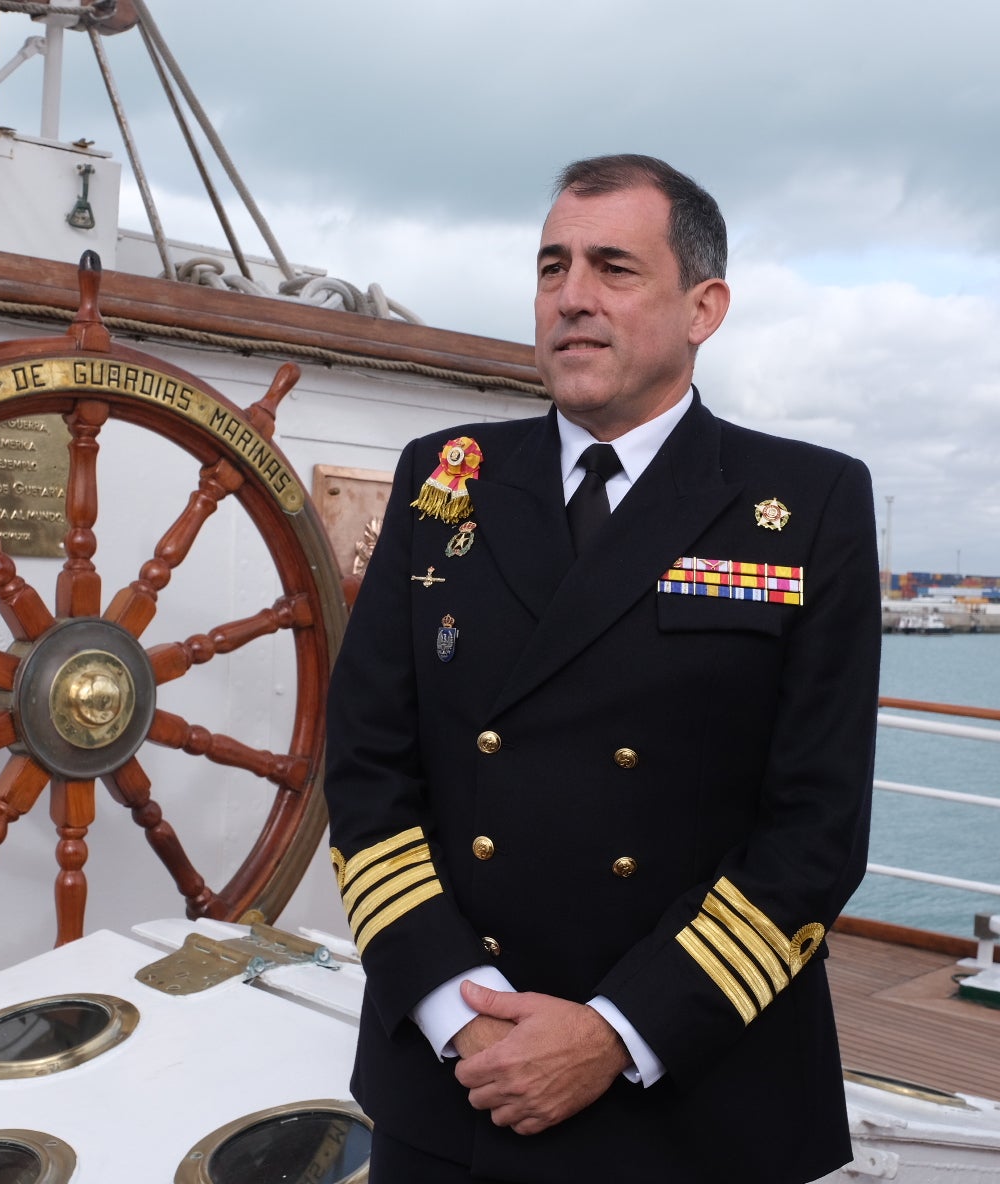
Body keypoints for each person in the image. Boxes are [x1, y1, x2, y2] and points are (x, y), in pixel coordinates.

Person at [323, 153, 879, 1183]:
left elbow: (817, 827)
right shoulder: (444, 478)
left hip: (693, 1093)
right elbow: (366, 770)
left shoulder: (806, 504)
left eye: (614, 267)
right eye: (552, 267)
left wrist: (617, 1033)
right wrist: (459, 1014)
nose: (571, 296)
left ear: (704, 307)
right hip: (457, 1082)